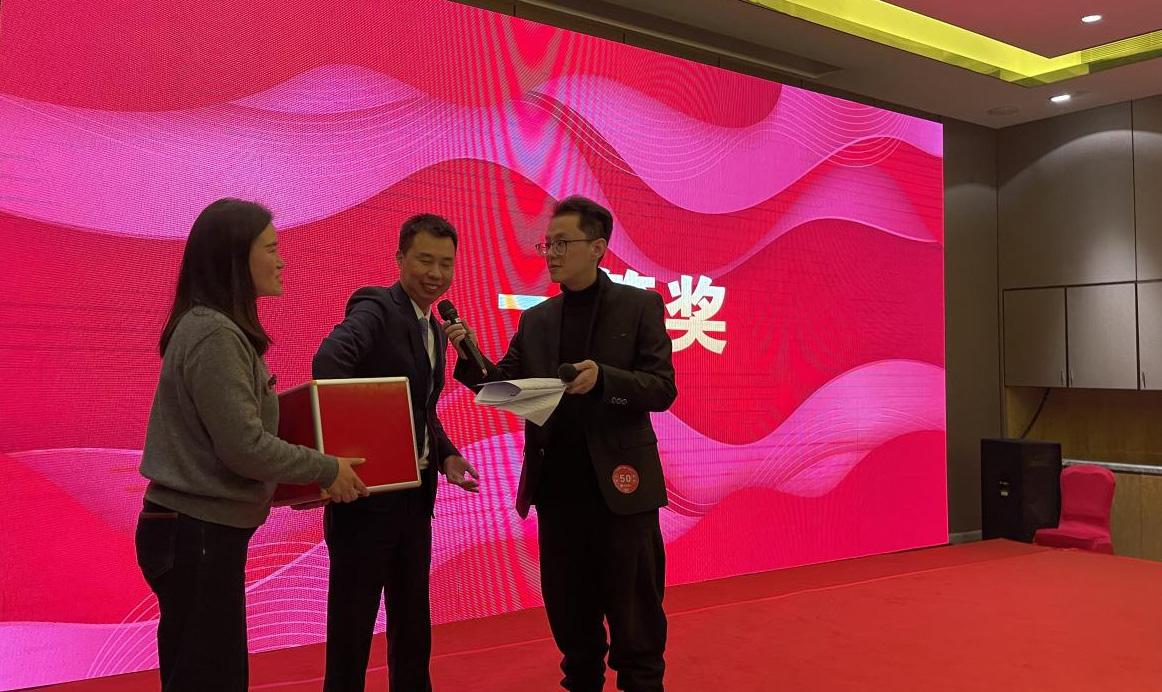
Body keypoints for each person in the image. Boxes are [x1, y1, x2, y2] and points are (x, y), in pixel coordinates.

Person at [135, 198, 368, 692]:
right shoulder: (215, 333)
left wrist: (299, 480)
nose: (282, 260)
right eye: (271, 248)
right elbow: (243, 446)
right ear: (235, 259)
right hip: (197, 534)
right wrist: (324, 469)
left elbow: (234, 441)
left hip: (195, 533)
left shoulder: (214, 328)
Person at [445, 196, 676, 692]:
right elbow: (503, 388)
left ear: (597, 247)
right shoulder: (538, 320)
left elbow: (661, 388)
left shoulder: (639, 306)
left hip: (622, 495)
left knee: (636, 623)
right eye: (547, 244)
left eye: (562, 243)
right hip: (558, 494)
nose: (550, 253)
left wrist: (605, 379)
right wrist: (469, 354)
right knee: (573, 624)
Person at [313, 213, 480, 692]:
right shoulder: (377, 307)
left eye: (446, 264)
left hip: (414, 500)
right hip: (366, 501)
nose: (436, 274)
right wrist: (365, 446)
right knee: (352, 634)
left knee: (412, 630)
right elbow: (329, 362)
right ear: (400, 259)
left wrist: (445, 455)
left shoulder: (435, 329)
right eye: (425, 260)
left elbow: (421, 408)